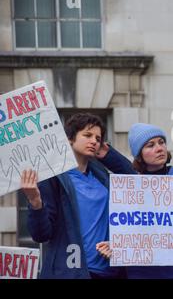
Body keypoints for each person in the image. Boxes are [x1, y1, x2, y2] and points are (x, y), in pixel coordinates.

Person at [20, 113, 130, 279]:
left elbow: (134, 179)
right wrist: (35, 202)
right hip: (71, 272)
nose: (94, 141)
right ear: (70, 139)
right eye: (87, 135)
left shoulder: (102, 176)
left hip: (108, 271)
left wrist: (109, 155)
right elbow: (41, 235)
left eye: (98, 138)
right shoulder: (52, 177)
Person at [96, 123, 173, 279]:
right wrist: (116, 245)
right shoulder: (130, 186)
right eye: (150, 145)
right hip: (141, 273)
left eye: (161, 142)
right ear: (139, 155)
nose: (159, 148)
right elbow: (128, 226)